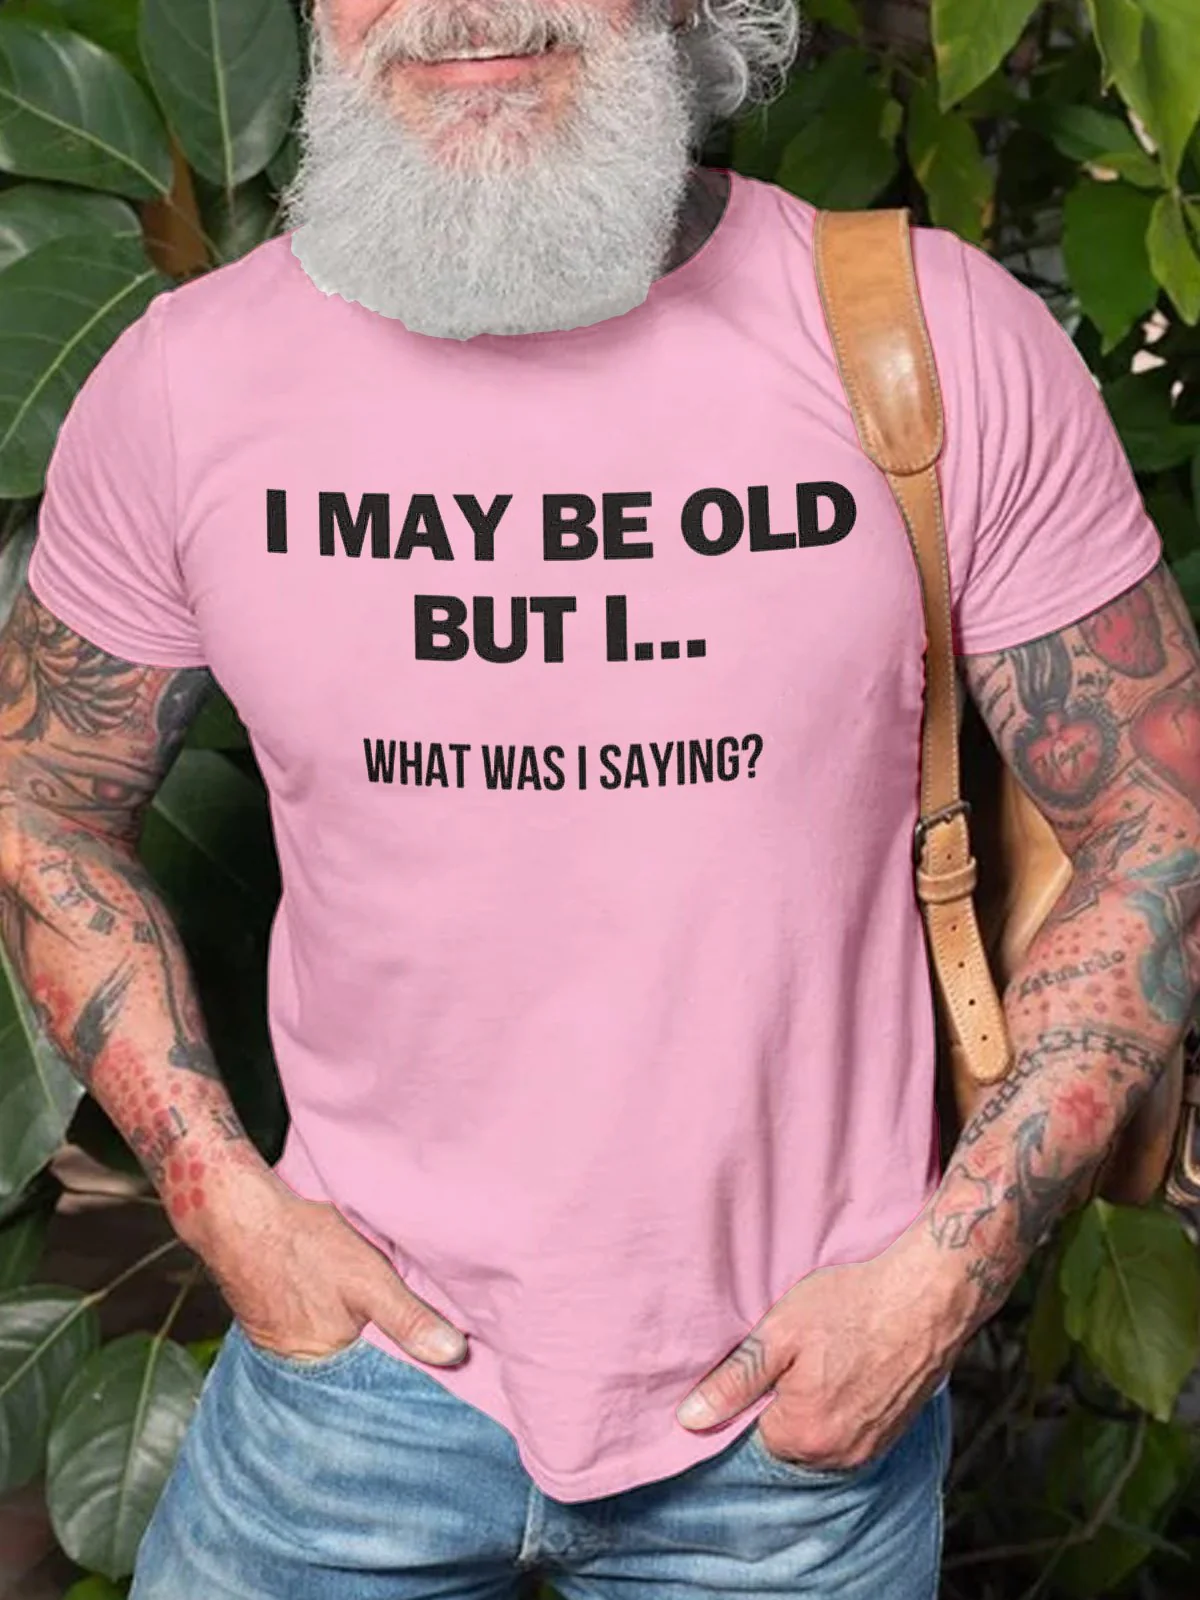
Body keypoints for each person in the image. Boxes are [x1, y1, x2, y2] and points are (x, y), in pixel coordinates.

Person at [0, 0, 1196, 1594]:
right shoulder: (184, 383)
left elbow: (1157, 816)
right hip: (345, 1377)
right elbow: (41, 794)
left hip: (799, 1409)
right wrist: (225, 1204)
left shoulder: (930, 338)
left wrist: (939, 1282)